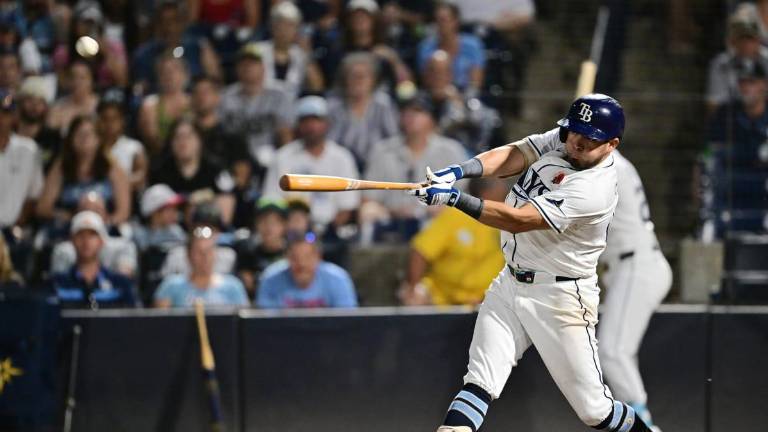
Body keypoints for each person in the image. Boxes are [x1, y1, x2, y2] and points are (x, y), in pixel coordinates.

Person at [410, 94, 655, 431]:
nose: (576, 143)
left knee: (595, 410)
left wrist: (455, 198)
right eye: (574, 132)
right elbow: (516, 154)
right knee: (480, 381)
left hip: (561, 298)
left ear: (612, 144)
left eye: (589, 139)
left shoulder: (594, 189)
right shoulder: (566, 140)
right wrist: (457, 172)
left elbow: (518, 220)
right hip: (510, 283)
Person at [597, 150, 671, 432]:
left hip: (636, 266)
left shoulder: (608, 165)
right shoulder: (612, 162)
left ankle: (643, 424)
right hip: (629, 265)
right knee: (613, 351)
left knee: (613, 352)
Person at [360, 93, 467, 241]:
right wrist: (394, 211)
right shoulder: (383, 150)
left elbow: (463, 196)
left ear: (432, 119)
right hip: (392, 218)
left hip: (435, 218)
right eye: (406, 111)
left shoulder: (450, 150)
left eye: (418, 111)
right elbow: (368, 198)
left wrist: (435, 208)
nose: (410, 116)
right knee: (368, 211)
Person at [399, 178, 507, 306]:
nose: (505, 191)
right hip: (444, 300)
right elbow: (421, 251)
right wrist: (413, 288)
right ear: (486, 193)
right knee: (417, 297)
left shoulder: (505, 219)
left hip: (488, 300)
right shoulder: (455, 215)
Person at [262, 95, 360, 234]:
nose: (311, 126)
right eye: (305, 121)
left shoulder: (342, 157)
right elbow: (272, 200)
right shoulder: (283, 157)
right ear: (298, 125)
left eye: (316, 120)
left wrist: (327, 232)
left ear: (327, 123)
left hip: (331, 230)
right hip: (290, 230)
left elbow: (347, 206)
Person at [36, 115, 131, 227]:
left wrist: (103, 224)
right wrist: (66, 217)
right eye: (79, 134)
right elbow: (43, 208)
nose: (84, 139)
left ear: (99, 139)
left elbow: (123, 212)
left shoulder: (112, 167)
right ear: (71, 139)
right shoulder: (61, 167)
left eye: (89, 134)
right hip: (69, 227)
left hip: (104, 227)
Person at [218, 42, 294, 178]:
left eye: (253, 63)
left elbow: (285, 134)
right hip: (235, 161)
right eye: (243, 64)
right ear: (237, 69)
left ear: (263, 67)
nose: (247, 68)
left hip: (270, 157)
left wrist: (284, 166)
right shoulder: (225, 97)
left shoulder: (279, 95)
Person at [150, 117, 236, 226]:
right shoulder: (159, 171)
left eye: (188, 136)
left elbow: (226, 209)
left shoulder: (216, 170)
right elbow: (154, 213)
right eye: (177, 137)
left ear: (200, 140)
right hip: (170, 229)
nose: (183, 142)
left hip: (209, 228)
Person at [50, 210, 137, 309]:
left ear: (101, 241)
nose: (86, 241)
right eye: (80, 235)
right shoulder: (57, 284)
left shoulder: (120, 284)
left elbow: (133, 315)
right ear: (72, 240)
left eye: (92, 235)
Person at [327, 51, 399, 168]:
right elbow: (328, 144)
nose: (358, 81)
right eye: (353, 76)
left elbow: (393, 139)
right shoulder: (333, 107)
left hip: (377, 165)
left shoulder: (383, 104)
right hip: (340, 166)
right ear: (345, 80)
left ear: (373, 80)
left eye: (363, 76)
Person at [154, 225, 248, 308]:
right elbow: (161, 319)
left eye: (208, 251)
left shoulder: (233, 287)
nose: (204, 257)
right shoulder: (171, 286)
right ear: (188, 255)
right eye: (199, 252)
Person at [257, 232, 357, 308]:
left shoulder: (338, 279)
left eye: (307, 257)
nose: (302, 264)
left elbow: (347, 321)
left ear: (318, 257)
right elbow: (266, 323)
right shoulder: (270, 279)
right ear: (287, 258)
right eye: (295, 258)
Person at [254, 1, 324, 98]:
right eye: (280, 25)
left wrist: (307, 54)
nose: (285, 30)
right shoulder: (258, 50)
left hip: (292, 103)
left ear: (297, 30)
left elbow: (316, 87)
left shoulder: (301, 54)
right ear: (272, 27)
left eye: (290, 26)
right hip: (262, 101)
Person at [417, 2, 485, 96]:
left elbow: (475, 83)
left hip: (465, 94)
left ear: (455, 21)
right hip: (436, 95)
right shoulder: (425, 47)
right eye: (436, 21)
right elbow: (427, 81)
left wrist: (462, 100)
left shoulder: (473, 45)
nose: (439, 25)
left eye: (443, 20)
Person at [707, 14, 768, 114]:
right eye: (742, 39)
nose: (747, 44)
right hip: (731, 116)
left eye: (750, 39)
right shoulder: (720, 63)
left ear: (759, 41)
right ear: (733, 42)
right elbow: (713, 103)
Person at [0, 91, 43, 231]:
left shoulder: (29, 150)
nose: (1, 118)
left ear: (14, 116)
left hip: (11, 229)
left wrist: (18, 224)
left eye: (5, 113)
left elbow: (34, 194)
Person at [137, 53, 191, 156]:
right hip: (162, 157)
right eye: (164, 72)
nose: (169, 75)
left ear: (184, 74)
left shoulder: (193, 102)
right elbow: (152, 140)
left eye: (173, 70)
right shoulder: (149, 105)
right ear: (158, 77)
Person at [234, 199, 288, 299]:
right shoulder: (247, 252)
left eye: (274, 222)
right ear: (256, 224)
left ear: (284, 225)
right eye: (263, 221)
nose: (268, 227)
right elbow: (248, 286)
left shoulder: (292, 254)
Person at [98, 95, 147, 191]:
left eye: (114, 119)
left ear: (122, 121)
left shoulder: (134, 147)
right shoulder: (91, 147)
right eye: (105, 119)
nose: (109, 124)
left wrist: (117, 184)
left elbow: (141, 176)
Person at [15, 76, 60, 171]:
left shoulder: (54, 138)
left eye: (40, 101)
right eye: (30, 99)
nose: (34, 106)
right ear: (20, 103)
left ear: (46, 106)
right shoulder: (8, 133)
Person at [46, 60, 99, 136]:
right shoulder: (58, 107)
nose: (77, 82)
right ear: (68, 81)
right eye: (73, 77)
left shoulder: (100, 105)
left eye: (82, 78)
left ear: (91, 81)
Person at [132, 183, 186, 252]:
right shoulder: (138, 236)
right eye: (169, 209)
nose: (175, 213)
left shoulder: (177, 232)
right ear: (155, 212)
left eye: (175, 209)